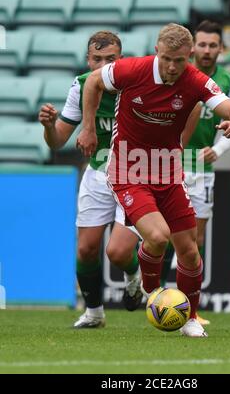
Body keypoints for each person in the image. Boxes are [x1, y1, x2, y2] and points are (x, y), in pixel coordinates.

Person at [77, 23, 230, 338]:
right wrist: (88, 128)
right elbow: (91, 82)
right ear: (157, 52)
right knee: (157, 237)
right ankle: (153, 292)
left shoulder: (196, 80)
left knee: (189, 249)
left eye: (180, 60)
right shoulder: (131, 70)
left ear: (190, 56)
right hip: (128, 170)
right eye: (167, 58)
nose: (172, 67)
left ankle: (191, 319)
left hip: (169, 172)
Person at [39, 31, 142, 329]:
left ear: (120, 60)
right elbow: (57, 141)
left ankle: (135, 276)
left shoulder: (135, 83)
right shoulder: (81, 86)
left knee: (119, 252)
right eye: (96, 59)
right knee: (86, 249)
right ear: (88, 60)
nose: (102, 65)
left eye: (110, 59)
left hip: (134, 175)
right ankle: (94, 312)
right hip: (97, 174)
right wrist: (48, 126)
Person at [160, 20, 230, 326]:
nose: (207, 51)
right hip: (166, 164)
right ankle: (155, 292)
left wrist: (217, 150)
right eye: (202, 45)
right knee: (164, 234)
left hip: (201, 168)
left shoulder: (227, 82)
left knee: (195, 239)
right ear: (193, 48)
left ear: (221, 48)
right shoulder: (176, 73)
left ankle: (188, 306)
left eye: (213, 45)